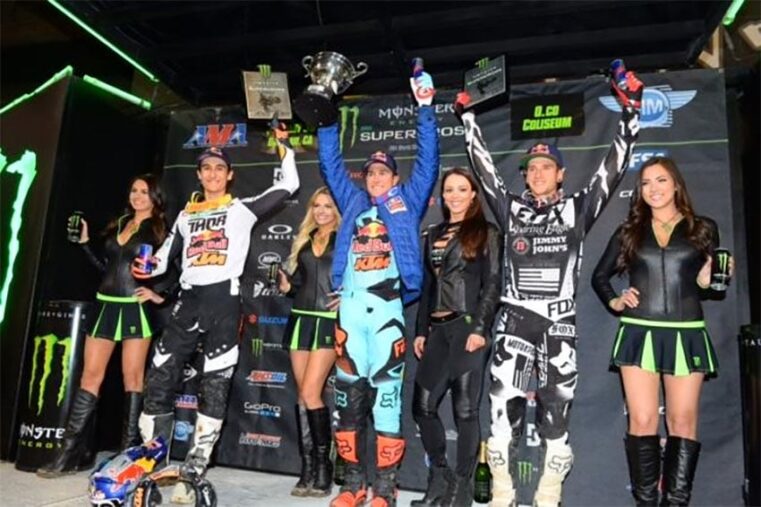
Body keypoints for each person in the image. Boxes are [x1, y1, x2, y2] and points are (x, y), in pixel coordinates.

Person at [454, 69, 644, 506]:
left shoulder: (578, 208)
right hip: (515, 321)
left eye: (546, 167)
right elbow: (484, 169)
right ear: (525, 176)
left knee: (556, 422)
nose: (537, 172)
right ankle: (502, 497)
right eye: (531, 168)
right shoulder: (511, 208)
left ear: (560, 174)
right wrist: (467, 118)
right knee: (500, 417)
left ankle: (547, 498)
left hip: (558, 323)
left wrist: (631, 112)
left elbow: (612, 169)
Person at [131, 125, 299, 498]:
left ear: (229, 175)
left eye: (219, 168)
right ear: (199, 174)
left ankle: (194, 469)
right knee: (159, 378)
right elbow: (162, 261)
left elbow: (289, 184)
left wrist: (284, 144)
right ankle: (152, 464)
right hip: (188, 302)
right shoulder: (185, 216)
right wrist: (147, 266)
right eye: (206, 168)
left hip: (224, 302)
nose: (212, 174)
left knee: (215, 385)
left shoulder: (241, 209)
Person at [317, 68, 439, 507]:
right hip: (350, 313)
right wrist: (325, 119)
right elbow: (330, 166)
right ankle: (352, 485)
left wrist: (425, 110)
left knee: (387, 400)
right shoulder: (352, 202)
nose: (375, 178)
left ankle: (385, 488)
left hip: (388, 313)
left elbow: (428, 162)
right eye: (370, 173)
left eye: (383, 173)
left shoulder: (407, 201)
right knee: (348, 400)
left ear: (394, 178)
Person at [591, 156, 734, 506]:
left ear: (676, 185)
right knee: (642, 421)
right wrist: (616, 300)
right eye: (646, 183)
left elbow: (706, 285)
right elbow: (600, 276)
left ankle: (676, 502)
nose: (653, 188)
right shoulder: (629, 231)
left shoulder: (703, 228)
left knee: (682, 422)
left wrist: (709, 279)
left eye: (661, 180)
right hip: (639, 332)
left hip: (687, 331)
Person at [37, 175, 168, 478]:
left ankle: (127, 456)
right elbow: (106, 267)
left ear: (155, 197)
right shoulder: (119, 223)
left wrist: (160, 295)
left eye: (145, 191)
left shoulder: (160, 230)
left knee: (132, 380)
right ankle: (66, 455)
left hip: (134, 309)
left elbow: (173, 267)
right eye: (134, 190)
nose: (138, 196)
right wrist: (85, 244)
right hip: (104, 306)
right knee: (90, 377)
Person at [411, 168, 501, 506]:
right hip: (437, 330)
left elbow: (493, 283)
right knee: (422, 407)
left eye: (462, 189)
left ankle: (461, 489)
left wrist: (481, 328)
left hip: (467, 327)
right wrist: (421, 330)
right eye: (449, 190)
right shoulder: (433, 233)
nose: (455, 196)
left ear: (473, 194)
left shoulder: (486, 231)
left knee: (465, 410)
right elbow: (428, 286)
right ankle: (440, 477)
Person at [278, 186, 341, 497]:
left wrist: (348, 296)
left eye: (328, 206)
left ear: (337, 210)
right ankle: (307, 469)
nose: (322, 211)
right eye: (317, 206)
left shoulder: (345, 240)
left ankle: (324, 467)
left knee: (311, 393)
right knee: (303, 397)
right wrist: (287, 286)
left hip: (328, 321)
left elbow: (358, 277)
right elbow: (300, 284)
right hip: (300, 319)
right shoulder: (304, 239)